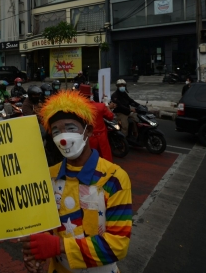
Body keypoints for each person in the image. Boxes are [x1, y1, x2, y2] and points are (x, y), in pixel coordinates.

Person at [19, 90, 132, 272]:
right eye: (56, 131)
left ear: (89, 130)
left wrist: (59, 246)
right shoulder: (48, 177)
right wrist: (36, 252)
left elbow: (118, 245)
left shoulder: (114, 178)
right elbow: (45, 227)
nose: (63, 137)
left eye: (71, 128)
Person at [78, 88, 114, 161]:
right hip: (101, 137)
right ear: (90, 96)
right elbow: (111, 116)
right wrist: (106, 104)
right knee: (105, 158)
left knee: (89, 159)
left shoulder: (77, 109)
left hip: (87, 138)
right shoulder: (100, 106)